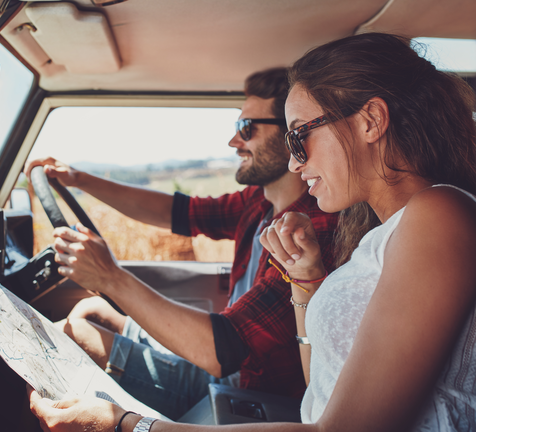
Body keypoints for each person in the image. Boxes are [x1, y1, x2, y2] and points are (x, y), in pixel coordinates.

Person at [28, 32, 476, 432]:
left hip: (255, 392)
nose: (295, 161)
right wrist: (307, 280)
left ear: (370, 122)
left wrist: (129, 426)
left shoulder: (436, 214)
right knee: (85, 319)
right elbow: (319, 379)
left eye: (299, 136)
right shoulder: (376, 230)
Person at [24, 68, 340, 420]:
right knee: (87, 311)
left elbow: (223, 352)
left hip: (245, 387)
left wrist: (110, 276)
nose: (234, 142)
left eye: (246, 129)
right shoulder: (258, 203)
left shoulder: (309, 231)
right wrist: (78, 179)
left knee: (73, 333)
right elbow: (176, 211)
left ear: (289, 136)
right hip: (230, 361)